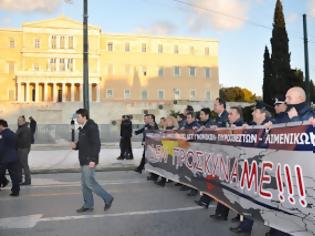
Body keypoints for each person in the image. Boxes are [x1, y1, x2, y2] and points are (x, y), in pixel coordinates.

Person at [71, 109, 114, 213]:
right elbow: (84, 143)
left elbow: (96, 144)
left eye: (78, 117)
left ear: (84, 116)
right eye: (76, 117)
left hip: (89, 160)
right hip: (83, 159)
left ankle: (108, 198)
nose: (77, 119)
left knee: (90, 183)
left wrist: (93, 159)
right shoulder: (83, 128)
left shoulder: (91, 127)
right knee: (84, 184)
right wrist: (76, 146)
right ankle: (88, 205)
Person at [0, 119, 20, 196]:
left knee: (1, 172)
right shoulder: (13, 134)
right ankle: (16, 191)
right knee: (14, 176)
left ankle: (4, 182)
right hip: (14, 157)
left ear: (1, 125)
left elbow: (1, 147)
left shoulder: (2, 135)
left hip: (4, 158)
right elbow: (16, 145)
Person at [155, 116, 177, 187]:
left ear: (172, 121)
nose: (166, 122)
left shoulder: (175, 129)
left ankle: (163, 181)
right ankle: (164, 180)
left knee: (166, 166)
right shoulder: (166, 129)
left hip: (171, 150)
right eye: (166, 121)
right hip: (165, 148)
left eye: (168, 121)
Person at [16, 116, 32, 185]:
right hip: (20, 148)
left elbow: (24, 140)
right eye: (18, 120)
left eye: (20, 120)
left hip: (23, 149)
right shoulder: (20, 128)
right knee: (19, 164)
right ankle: (19, 179)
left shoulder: (25, 129)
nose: (19, 122)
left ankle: (27, 180)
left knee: (24, 164)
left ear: (24, 121)